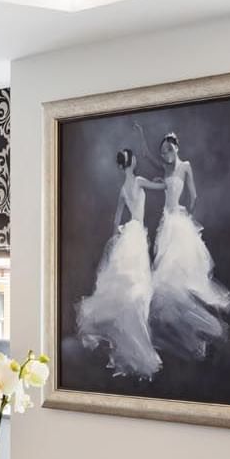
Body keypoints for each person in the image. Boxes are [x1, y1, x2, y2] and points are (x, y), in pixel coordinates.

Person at [75, 148, 163, 378]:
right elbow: (163, 187)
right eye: (134, 158)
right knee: (138, 285)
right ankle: (138, 337)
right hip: (136, 235)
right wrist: (159, 179)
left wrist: (115, 242)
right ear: (132, 163)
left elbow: (115, 220)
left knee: (128, 286)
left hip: (127, 235)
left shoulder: (123, 189)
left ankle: (129, 334)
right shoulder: (140, 181)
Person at [147, 131, 230, 358]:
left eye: (168, 150)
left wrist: (188, 218)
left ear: (176, 147)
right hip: (167, 221)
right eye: (163, 152)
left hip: (178, 221)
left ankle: (196, 324)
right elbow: (148, 157)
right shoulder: (166, 169)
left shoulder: (185, 166)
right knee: (166, 273)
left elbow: (193, 196)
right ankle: (187, 327)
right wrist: (140, 137)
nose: (165, 155)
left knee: (177, 270)